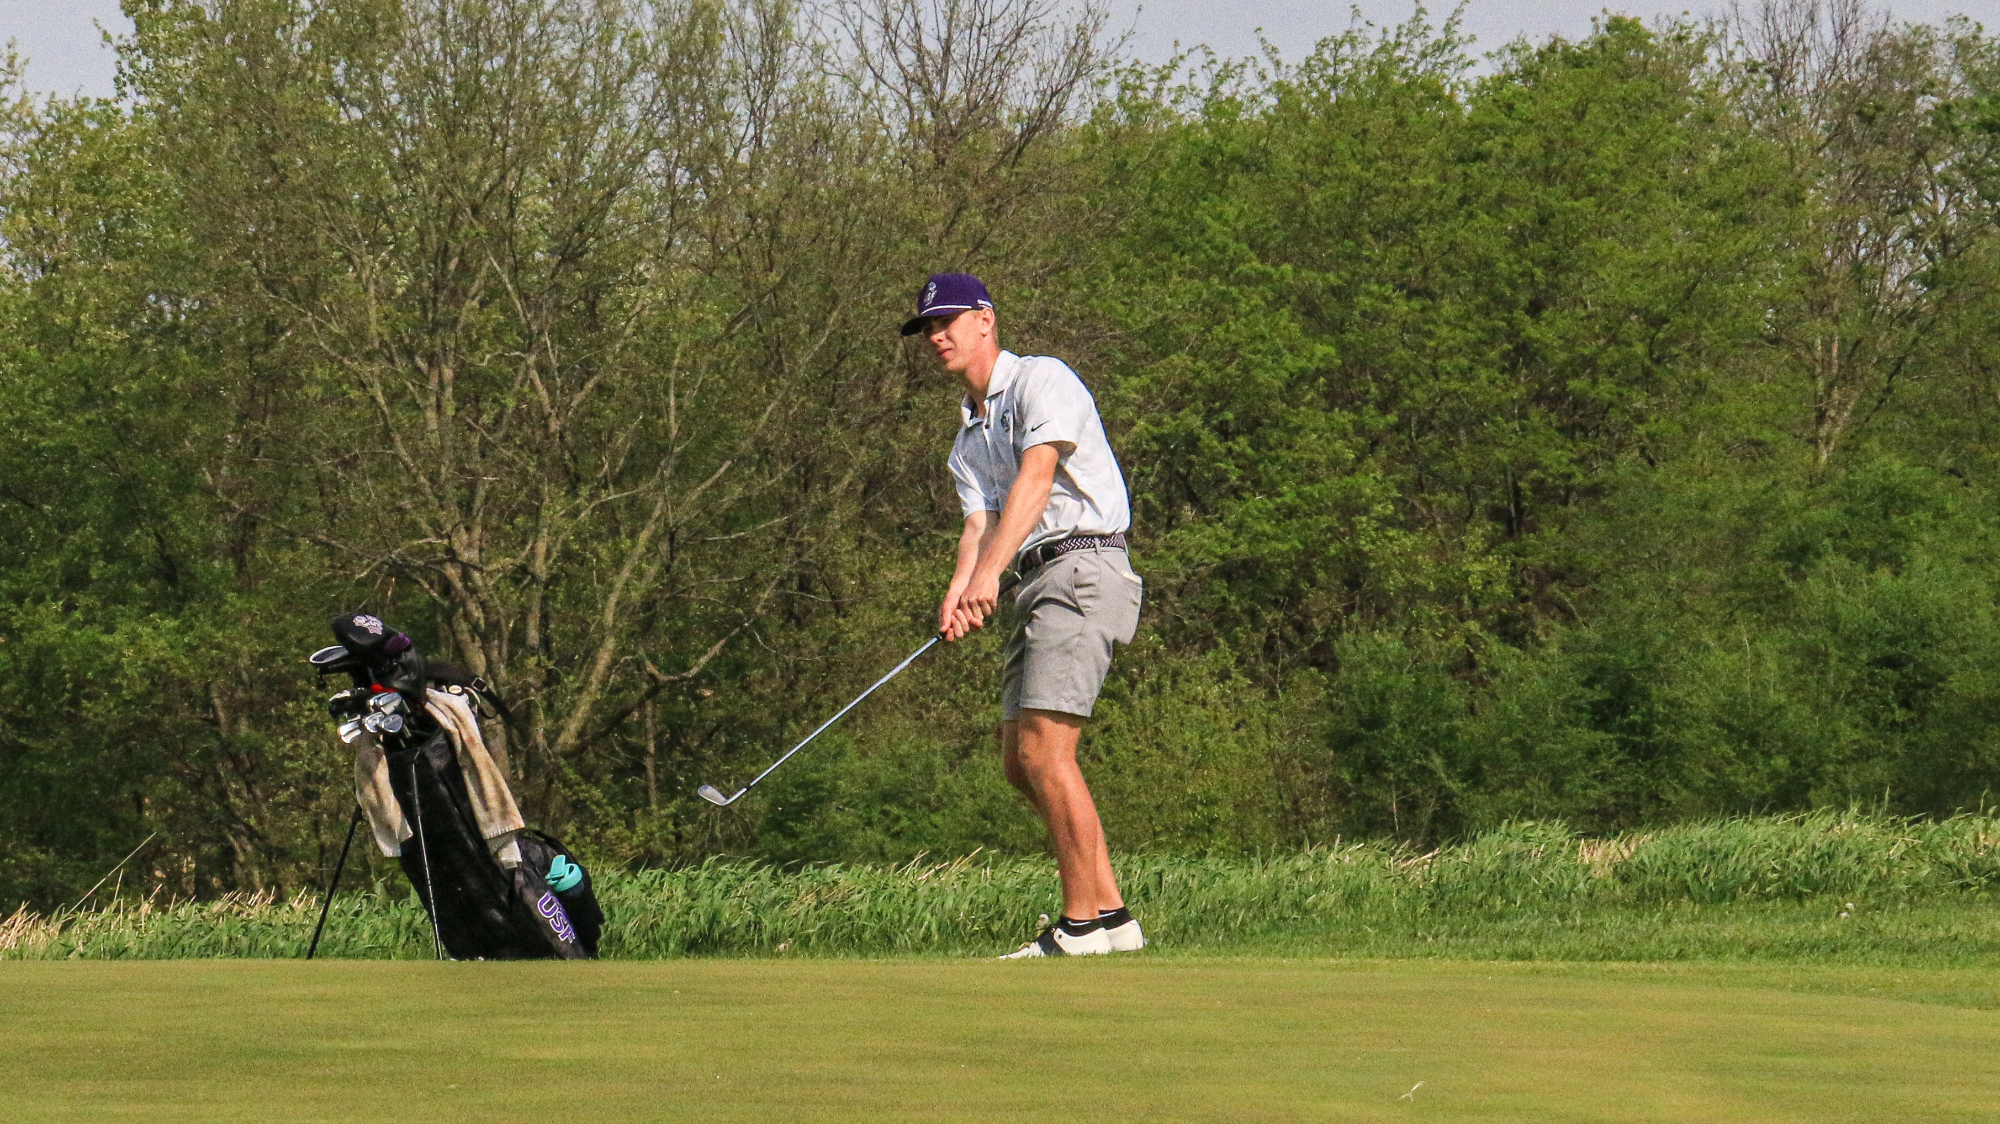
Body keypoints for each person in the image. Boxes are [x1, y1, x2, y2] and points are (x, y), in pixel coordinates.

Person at [902, 272, 1146, 957]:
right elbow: (979, 524)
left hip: (1084, 564)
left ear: (986, 319)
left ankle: (1080, 927)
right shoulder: (967, 439)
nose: (937, 336)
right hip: (1034, 583)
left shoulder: (1044, 380)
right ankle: (1113, 917)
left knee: (1046, 749)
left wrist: (986, 577)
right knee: (1019, 761)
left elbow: (1037, 481)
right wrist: (960, 588)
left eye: (947, 320)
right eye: (927, 328)